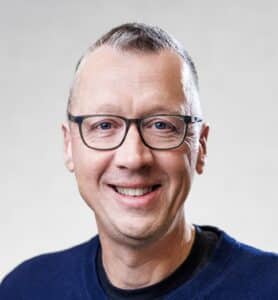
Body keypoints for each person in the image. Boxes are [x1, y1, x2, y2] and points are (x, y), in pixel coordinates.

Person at [1, 23, 277, 300]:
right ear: (69, 145)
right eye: (105, 125)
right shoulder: (24, 290)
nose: (133, 158)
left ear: (200, 146)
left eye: (161, 125)